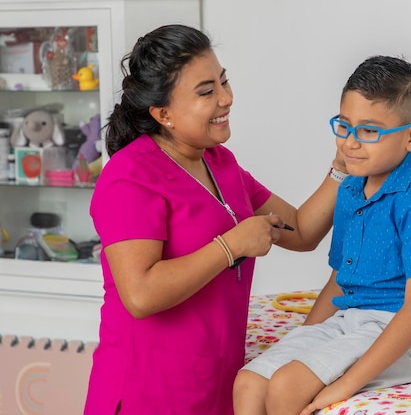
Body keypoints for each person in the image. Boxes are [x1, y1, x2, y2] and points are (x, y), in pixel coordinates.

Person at [83, 24, 347, 415]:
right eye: (207, 92)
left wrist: (343, 165)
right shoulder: (129, 176)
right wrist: (231, 245)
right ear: (163, 113)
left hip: (215, 384)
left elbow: (301, 230)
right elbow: (140, 294)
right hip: (148, 393)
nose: (226, 98)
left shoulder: (220, 162)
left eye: (224, 82)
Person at [233, 55, 411, 415]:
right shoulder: (350, 190)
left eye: (369, 131)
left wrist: (343, 385)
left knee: (288, 386)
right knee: (249, 383)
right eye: (344, 126)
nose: (349, 142)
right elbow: (339, 281)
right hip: (352, 319)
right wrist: (303, 341)